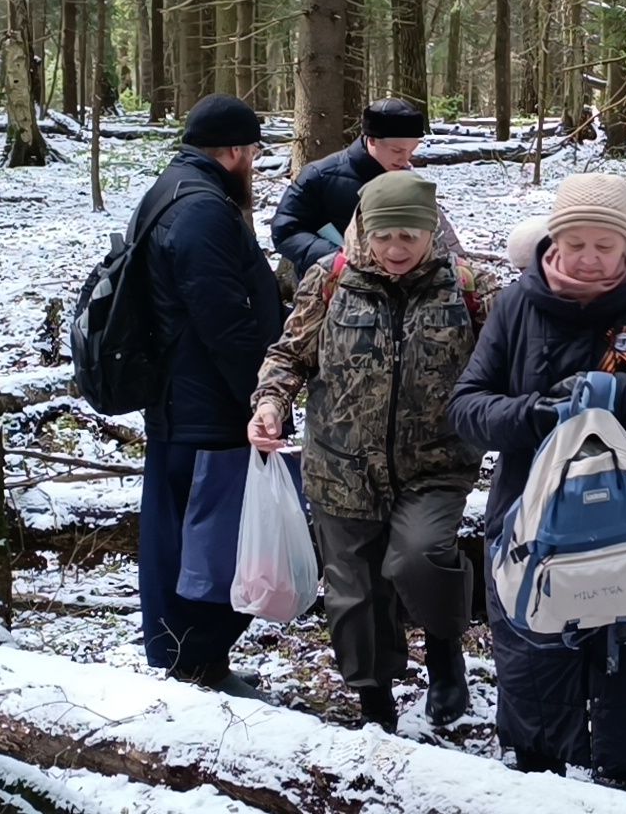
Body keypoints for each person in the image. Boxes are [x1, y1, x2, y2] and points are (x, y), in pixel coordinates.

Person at [449, 173, 626, 792]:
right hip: (531, 522)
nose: (590, 260)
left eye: (605, 247)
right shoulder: (515, 305)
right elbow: (467, 408)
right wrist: (535, 413)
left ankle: (624, 775)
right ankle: (538, 772)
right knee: (534, 643)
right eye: (578, 244)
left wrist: (620, 392)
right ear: (553, 243)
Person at [247, 172, 480, 733]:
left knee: (420, 556)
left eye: (409, 236)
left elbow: (505, 362)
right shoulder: (329, 281)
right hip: (340, 464)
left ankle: (446, 655)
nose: (395, 249)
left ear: (432, 232)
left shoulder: (469, 287)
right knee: (354, 591)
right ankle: (374, 700)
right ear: (362, 233)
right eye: (383, 236)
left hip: (434, 465)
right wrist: (270, 403)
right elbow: (290, 355)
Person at [136, 94, 285, 697]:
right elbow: (224, 320)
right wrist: (262, 393)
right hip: (204, 408)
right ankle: (194, 663)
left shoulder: (174, 191)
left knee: (183, 532)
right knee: (204, 540)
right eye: (251, 150)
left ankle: (188, 658)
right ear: (231, 151)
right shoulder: (202, 211)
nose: (253, 161)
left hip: (186, 400)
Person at [271, 98, 465, 280]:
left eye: (411, 150)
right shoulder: (320, 176)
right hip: (331, 288)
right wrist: (335, 257)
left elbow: (437, 230)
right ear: (371, 139)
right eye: (397, 151)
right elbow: (286, 230)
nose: (405, 159)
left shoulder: (407, 179)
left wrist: (460, 266)